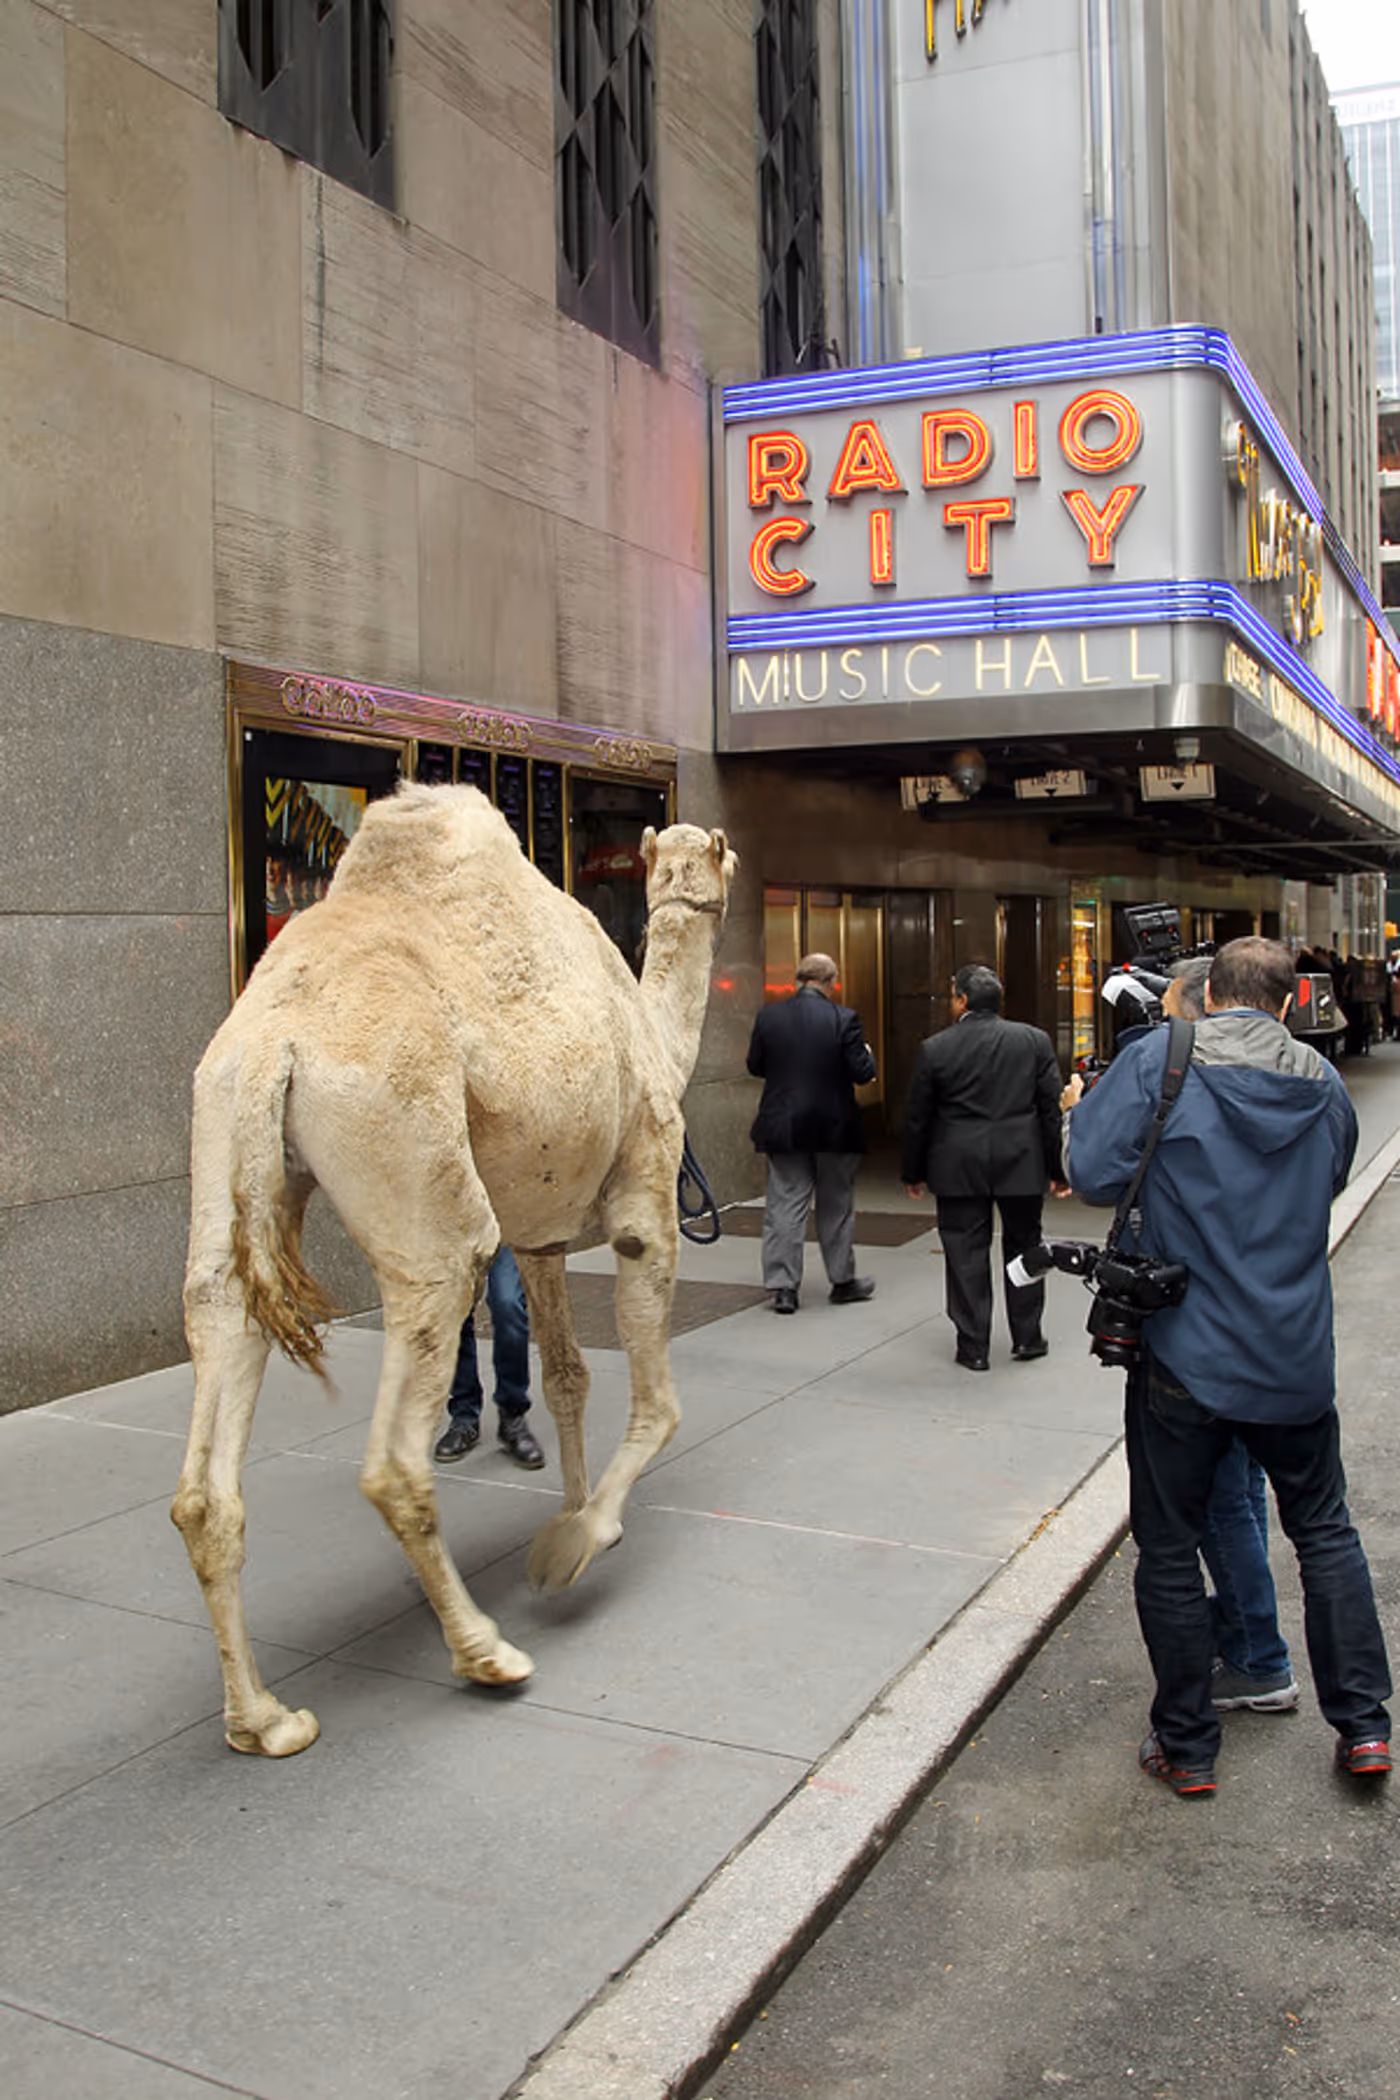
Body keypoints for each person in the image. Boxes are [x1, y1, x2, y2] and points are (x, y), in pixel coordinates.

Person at [1067, 935, 1391, 1795]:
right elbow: (1325, 1181)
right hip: (1292, 1353)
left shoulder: (1159, 1062)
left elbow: (1090, 1170)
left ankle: (1188, 1746)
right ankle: (1364, 1728)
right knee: (1324, 1534)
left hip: (1183, 1352)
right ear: (1289, 1004)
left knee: (1169, 1547)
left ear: (1210, 997)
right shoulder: (1322, 1086)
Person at [1162, 958, 1297, 1715]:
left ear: (1207, 1003)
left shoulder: (1187, 1078)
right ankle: (1251, 1637)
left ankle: (1259, 1655)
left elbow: (1098, 1169)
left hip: (1207, 1334)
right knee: (1239, 1494)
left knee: (1222, 1501)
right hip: (1272, 1325)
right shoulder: (1302, 1080)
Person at [900, 963, 1068, 1371]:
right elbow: (1050, 1110)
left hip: (958, 1163)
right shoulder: (1033, 1041)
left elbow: (918, 1117)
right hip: (1022, 1159)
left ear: (961, 1000)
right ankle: (1027, 1336)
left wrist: (913, 1170)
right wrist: (1058, 1167)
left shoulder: (935, 1047)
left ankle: (973, 1344)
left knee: (964, 1251)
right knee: (1026, 1246)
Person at [746, 952, 877, 1314]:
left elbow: (755, 1065)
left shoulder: (769, 1017)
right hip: (835, 1127)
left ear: (798, 979)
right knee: (836, 1205)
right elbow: (862, 1072)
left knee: (785, 1204)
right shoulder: (844, 1018)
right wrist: (866, 1053)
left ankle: (784, 1287)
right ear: (831, 981)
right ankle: (842, 1281)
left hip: (784, 1125)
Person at [433, 1247, 545, 1469]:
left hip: (506, 1222)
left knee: (508, 1303)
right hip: (454, 1225)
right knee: (453, 1310)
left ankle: (512, 1416)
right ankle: (465, 1417)